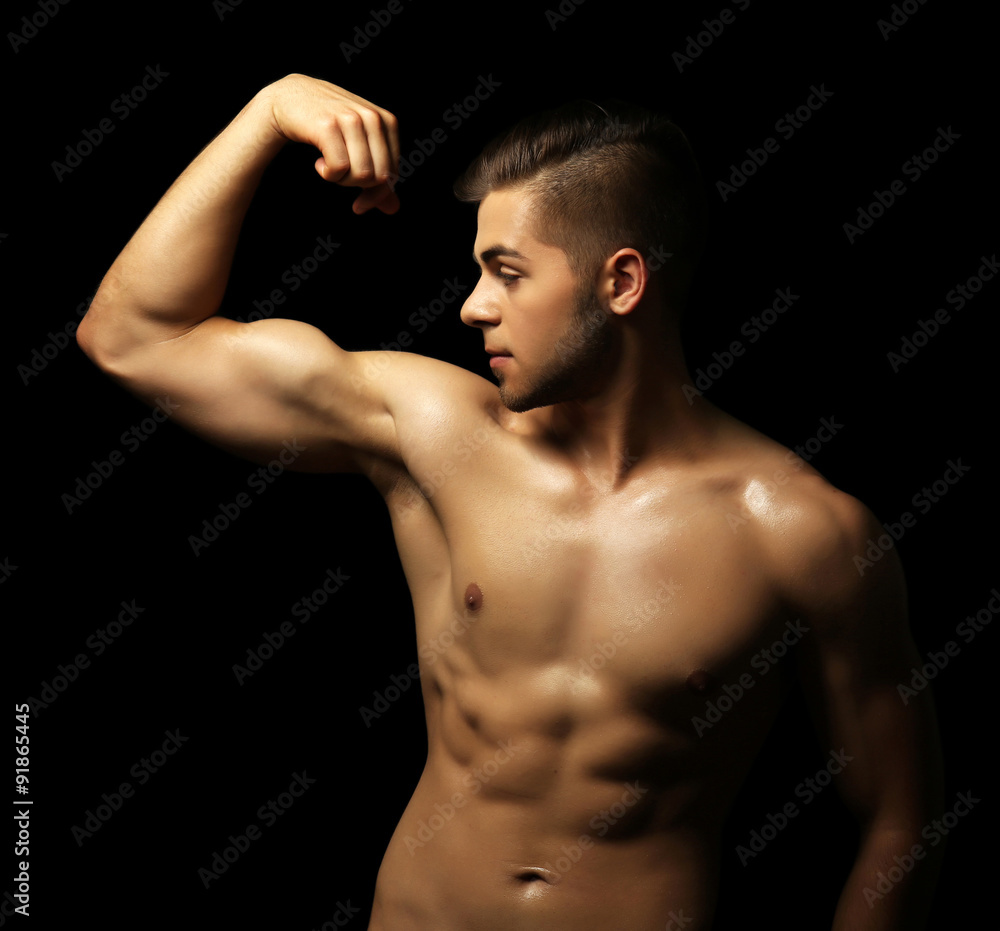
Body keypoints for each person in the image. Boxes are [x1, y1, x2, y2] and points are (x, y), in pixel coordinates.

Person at [76, 73, 944, 930]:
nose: (471, 305)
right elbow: (134, 337)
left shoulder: (802, 535)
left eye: (507, 273)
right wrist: (268, 110)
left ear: (624, 281)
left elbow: (900, 821)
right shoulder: (433, 435)